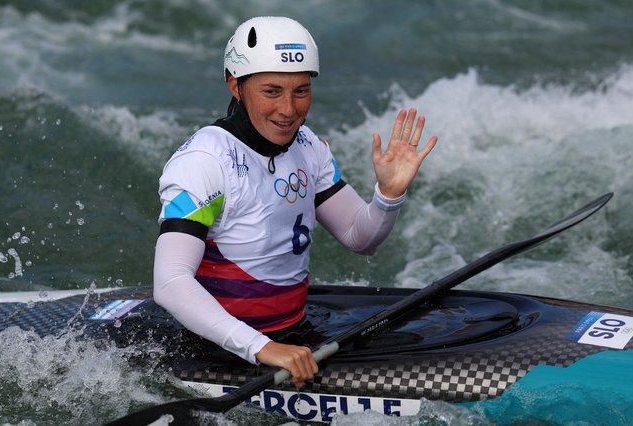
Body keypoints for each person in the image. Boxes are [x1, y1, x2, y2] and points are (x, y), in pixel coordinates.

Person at [153, 16, 437, 389]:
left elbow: (360, 238)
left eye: (301, 91)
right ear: (235, 85)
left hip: (292, 333)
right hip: (216, 348)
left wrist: (389, 194)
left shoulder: (308, 146)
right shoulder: (203, 163)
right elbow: (170, 282)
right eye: (272, 91)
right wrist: (262, 348)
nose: (289, 109)